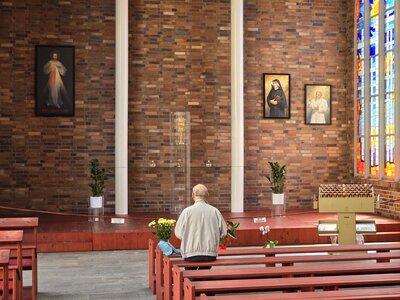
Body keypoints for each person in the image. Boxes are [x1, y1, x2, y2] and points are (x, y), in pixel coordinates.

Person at [175, 184, 227, 270]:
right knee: (204, 276)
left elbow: (178, 233)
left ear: (193, 195)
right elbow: (224, 233)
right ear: (207, 195)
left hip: (190, 254)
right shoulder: (215, 211)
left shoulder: (186, 212)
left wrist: (188, 238)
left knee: (190, 277)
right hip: (209, 255)